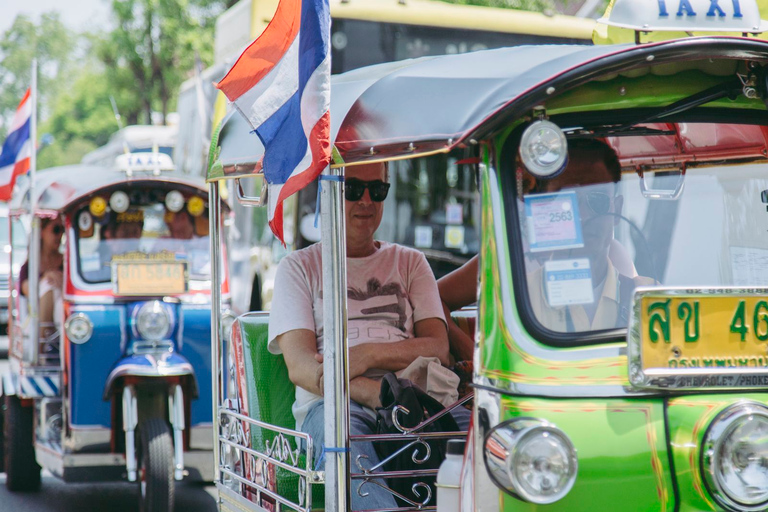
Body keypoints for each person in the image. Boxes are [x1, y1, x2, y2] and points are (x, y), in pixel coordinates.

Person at [268, 162, 468, 510]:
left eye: (377, 191)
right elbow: (301, 367)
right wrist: (373, 392)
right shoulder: (298, 267)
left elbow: (437, 345)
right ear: (329, 193)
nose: (366, 200)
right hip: (335, 402)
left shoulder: (411, 262)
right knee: (345, 437)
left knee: (490, 434)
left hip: (417, 393)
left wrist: (366, 356)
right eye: (353, 189)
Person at [526, 138, 654, 332]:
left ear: (617, 210)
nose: (583, 216)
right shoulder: (518, 298)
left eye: (597, 200)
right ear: (544, 209)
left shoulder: (650, 300)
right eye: (566, 199)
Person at [19, 216, 64, 339]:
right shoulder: (29, 266)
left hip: (62, 319)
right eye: (56, 229)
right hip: (34, 320)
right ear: (42, 232)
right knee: (48, 287)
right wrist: (46, 277)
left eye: (63, 230)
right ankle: (42, 342)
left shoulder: (66, 262)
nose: (60, 235)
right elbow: (27, 290)